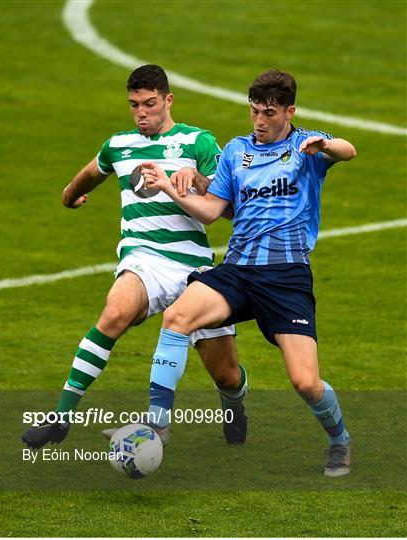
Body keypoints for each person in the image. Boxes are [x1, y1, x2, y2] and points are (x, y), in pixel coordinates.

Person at [140, 68, 356, 477]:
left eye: (269, 112)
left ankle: (339, 440)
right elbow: (212, 210)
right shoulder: (237, 152)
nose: (259, 120)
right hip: (238, 270)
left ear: (289, 111)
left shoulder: (305, 146)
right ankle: (157, 423)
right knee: (176, 318)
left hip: (286, 277)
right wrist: (170, 187)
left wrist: (324, 143)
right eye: (254, 110)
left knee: (306, 383)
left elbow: (348, 151)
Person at [21, 64, 247, 450]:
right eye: (134, 105)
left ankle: (235, 409)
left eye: (150, 104)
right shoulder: (119, 145)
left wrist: (196, 180)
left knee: (226, 374)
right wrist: (69, 196)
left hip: (195, 268)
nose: (142, 113)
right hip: (144, 259)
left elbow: (229, 208)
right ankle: (61, 419)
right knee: (113, 313)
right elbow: (91, 173)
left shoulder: (199, 143)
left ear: (168, 100)